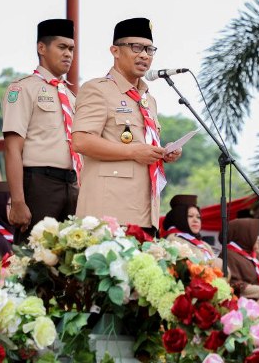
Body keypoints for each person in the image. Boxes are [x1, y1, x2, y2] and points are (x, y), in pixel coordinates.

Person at [72, 17, 182, 235]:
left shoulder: (148, 99)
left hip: (145, 210)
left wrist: (163, 153)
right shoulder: (97, 89)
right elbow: (81, 140)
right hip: (109, 211)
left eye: (150, 50)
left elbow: (142, 148)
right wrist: (133, 151)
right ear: (115, 50)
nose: (144, 55)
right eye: (136, 47)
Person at [2, 19, 79, 241]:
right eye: (62, 47)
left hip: (71, 185)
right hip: (39, 184)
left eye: (71, 49)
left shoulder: (72, 97)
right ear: (41, 48)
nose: (68, 54)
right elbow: (12, 149)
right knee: (34, 259)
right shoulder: (23, 88)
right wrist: (17, 201)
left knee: (70, 260)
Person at [162, 195, 222, 269]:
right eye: (190, 216)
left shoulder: (204, 244)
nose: (196, 220)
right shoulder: (173, 241)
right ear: (179, 217)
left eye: (198, 217)